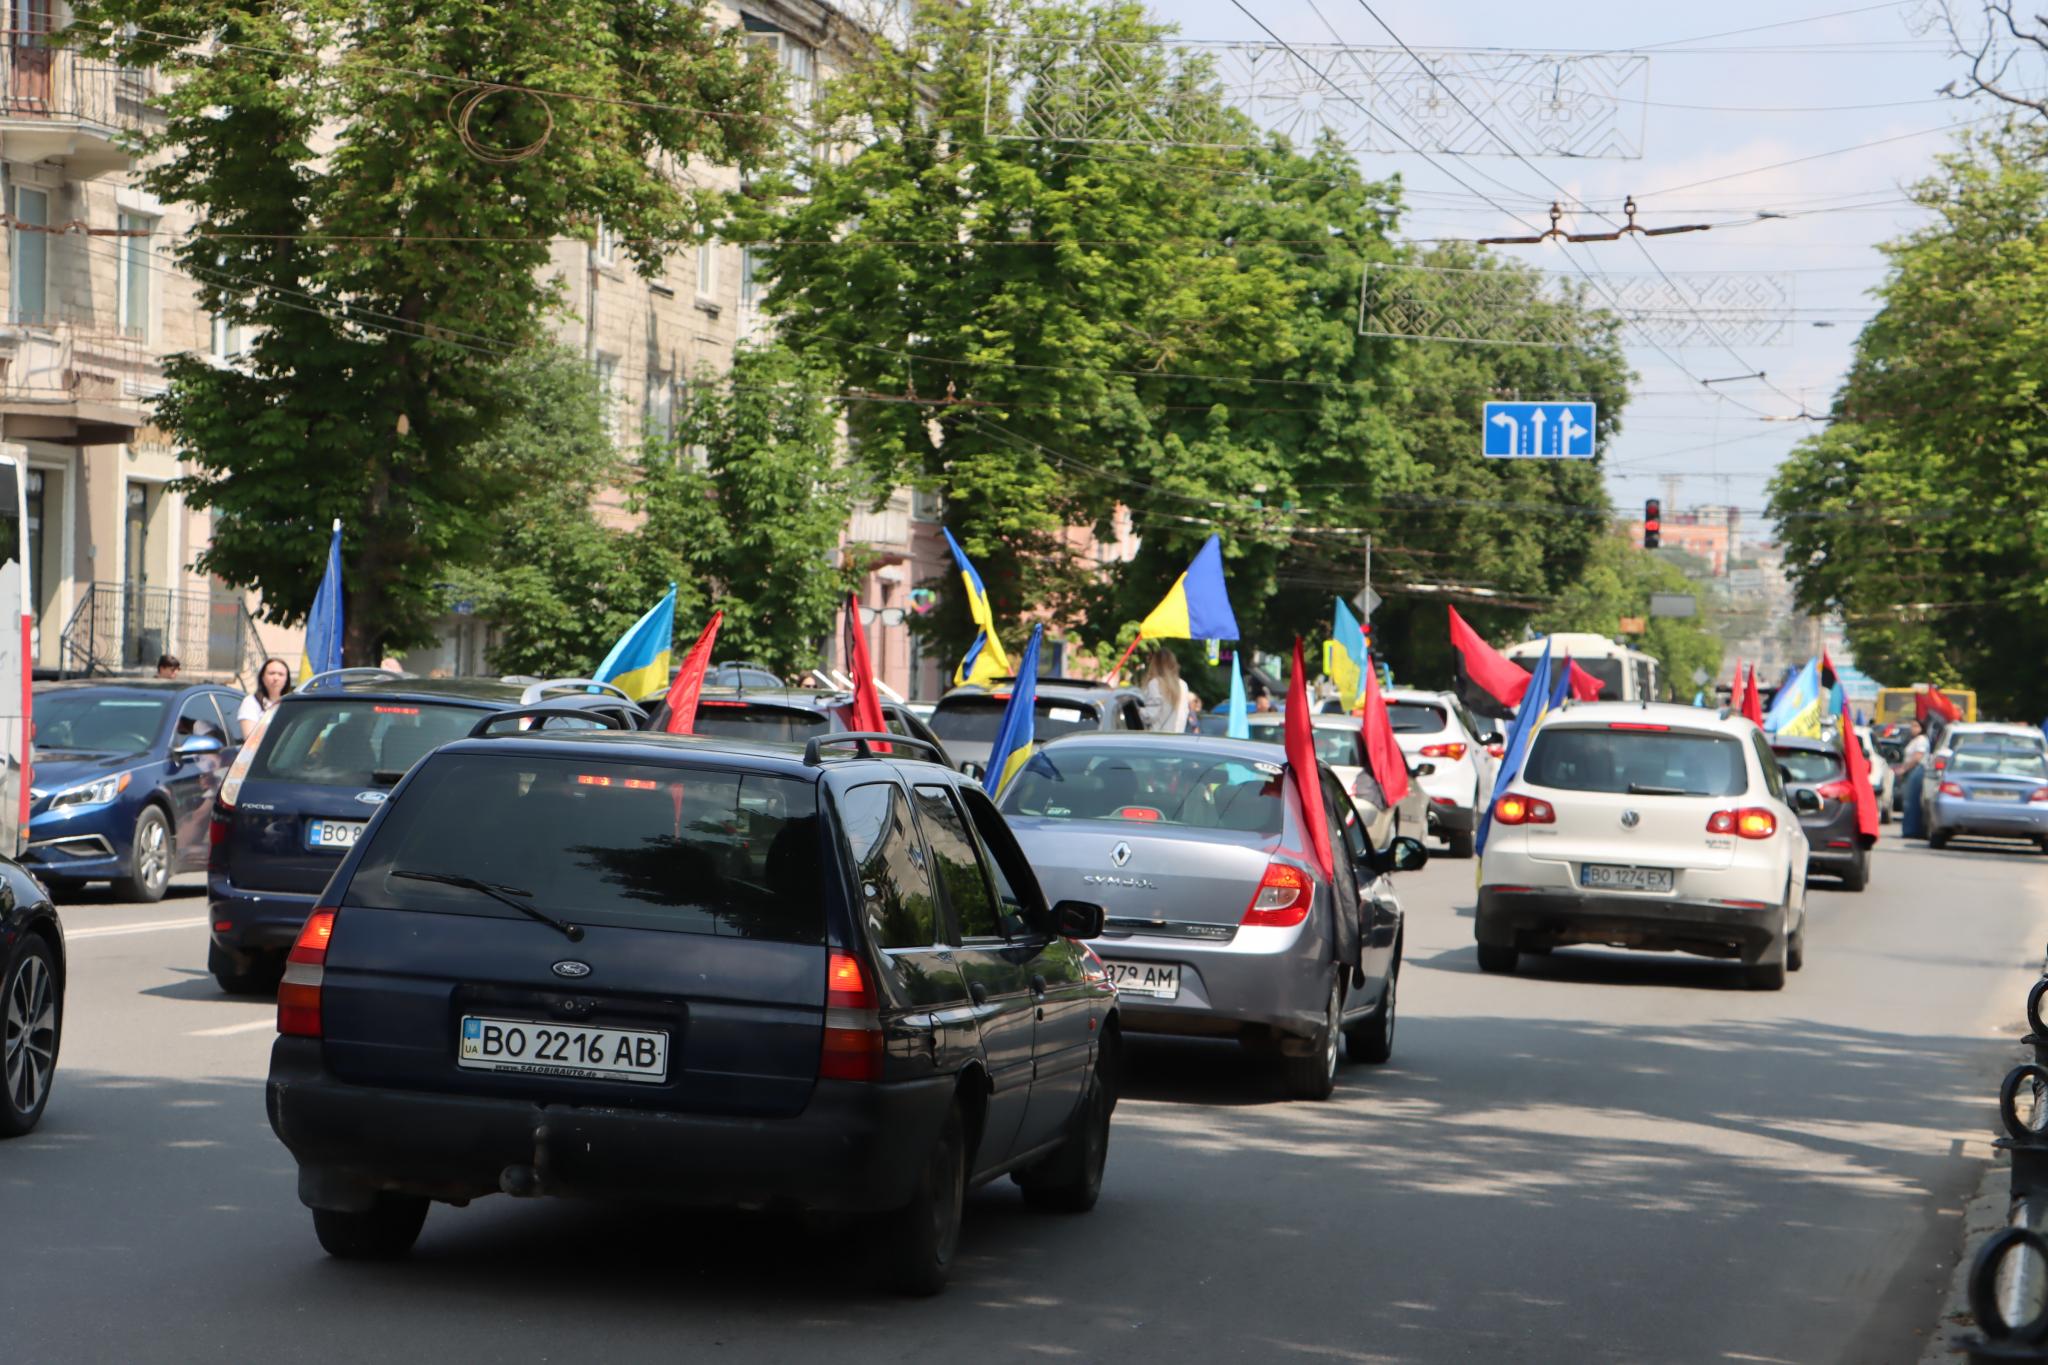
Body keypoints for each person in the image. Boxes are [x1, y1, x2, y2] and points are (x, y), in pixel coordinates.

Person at [238, 657, 292, 741]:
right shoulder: (251, 702)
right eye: (271, 673)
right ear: (262, 677)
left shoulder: (291, 704)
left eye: (280, 674)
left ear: (286, 679)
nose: (276, 678)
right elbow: (250, 738)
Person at [1137, 647, 1189, 734]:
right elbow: (1183, 716)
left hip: (1156, 738)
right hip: (1177, 737)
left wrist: (1136, 710)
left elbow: (1151, 715)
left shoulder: (1155, 683)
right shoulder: (1182, 685)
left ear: (1155, 665)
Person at [1898, 719, 1929, 839]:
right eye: (1912, 726)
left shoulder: (1921, 740)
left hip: (1917, 771)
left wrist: (1904, 769)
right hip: (1911, 771)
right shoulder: (1913, 740)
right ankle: (1909, 829)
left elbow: (1917, 757)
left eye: (1916, 726)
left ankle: (1912, 830)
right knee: (1908, 801)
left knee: (1912, 801)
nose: (1913, 728)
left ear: (1922, 728)